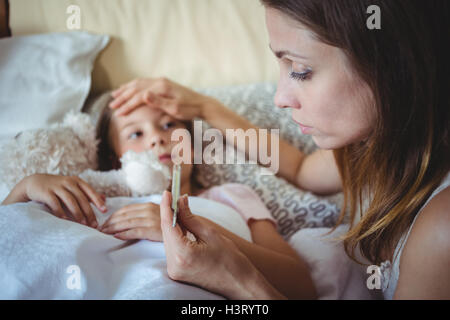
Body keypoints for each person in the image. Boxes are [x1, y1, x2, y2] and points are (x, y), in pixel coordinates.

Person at [108, 0, 450, 299]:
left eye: (301, 70)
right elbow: (301, 169)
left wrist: (239, 280)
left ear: (392, 66)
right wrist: (204, 108)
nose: (280, 98)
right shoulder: (372, 146)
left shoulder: (441, 229)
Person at [1, 99, 315, 299]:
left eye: (169, 125)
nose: (157, 137)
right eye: (135, 134)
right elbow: (15, 248)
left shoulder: (231, 197)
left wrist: (188, 228)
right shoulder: (95, 196)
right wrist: (25, 191)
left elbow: (301, 285)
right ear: (114, 160)